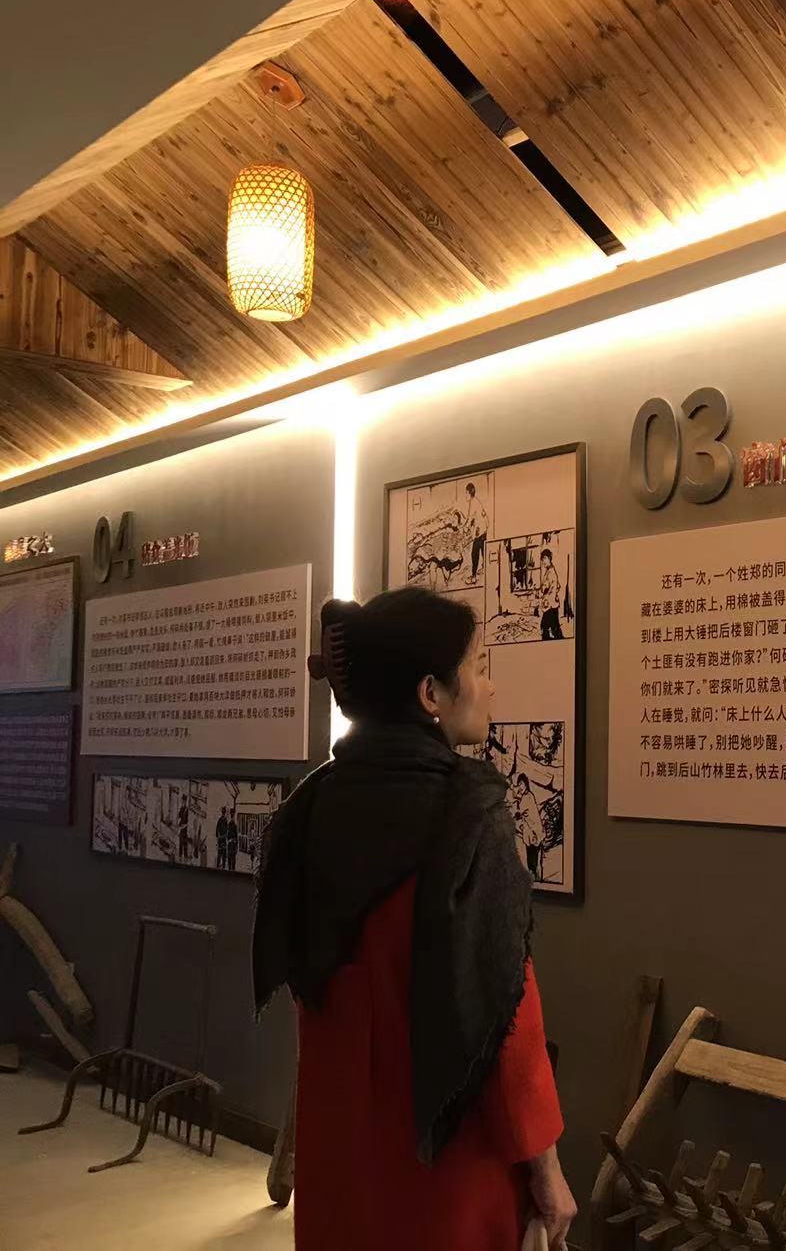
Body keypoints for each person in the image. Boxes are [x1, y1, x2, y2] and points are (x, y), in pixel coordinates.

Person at [253, 587, 575, 1251]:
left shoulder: (311, 808)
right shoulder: (468, 819)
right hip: (446, 1158)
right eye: (477, 666)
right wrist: (545, 1167)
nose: (489, 686)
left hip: (341, 1144)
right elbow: (506, 1017)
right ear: (431, 693)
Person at [536, 549, 565, 641]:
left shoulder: (551, 572)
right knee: (554, 627)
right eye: (542, 559)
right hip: (552, 603)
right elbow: (558, 586)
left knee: (545, 627)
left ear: (549, 558)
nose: (543, 561)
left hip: (550, 605)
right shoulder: (550, 570)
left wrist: (544, 593)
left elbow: (549, 587)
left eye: (544, 558)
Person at [464, 482, 489, 582]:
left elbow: (470, 518)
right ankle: (484, 570)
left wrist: (465, 528)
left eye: (466, 493)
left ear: (469, 493)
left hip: (480, 532)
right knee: (483, 553)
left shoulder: (473, 502)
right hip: (483, 530)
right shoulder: (477, 501)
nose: (465, 495)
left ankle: (474, 577)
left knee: (474, 554)